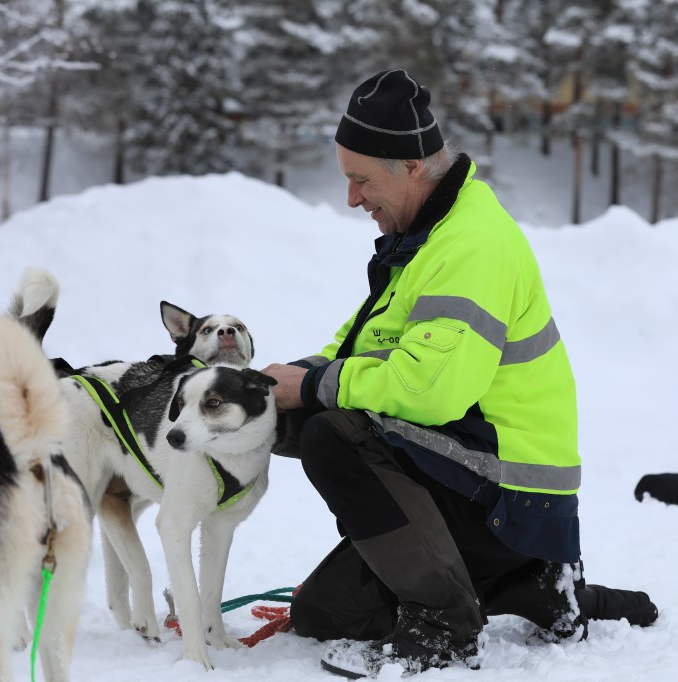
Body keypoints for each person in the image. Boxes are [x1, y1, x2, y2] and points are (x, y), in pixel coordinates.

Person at [262, 69, 657, 679]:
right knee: (324, 613)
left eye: (361, 179)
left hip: (510, 495)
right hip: (477, 486)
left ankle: (447, 627)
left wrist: (312, 390)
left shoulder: (471, 245)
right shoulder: (426, 237)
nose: (352, 198)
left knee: (332, 432)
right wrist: (270, 391)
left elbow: (431, 388)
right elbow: (357, 349)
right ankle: (527, 585)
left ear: (413, 165)